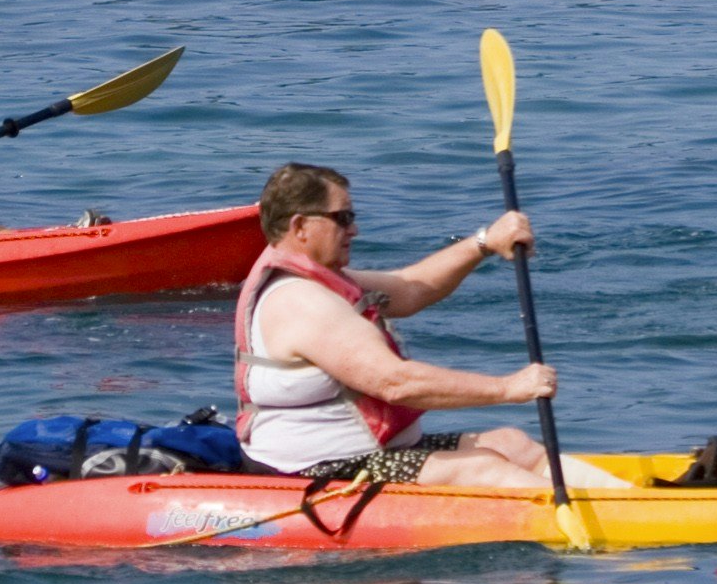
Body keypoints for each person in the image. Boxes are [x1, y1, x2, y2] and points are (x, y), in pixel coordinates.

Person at [232, 161, 631, 490]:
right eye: (343, 218)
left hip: (376, 453)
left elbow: (409, 291)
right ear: (300, 226)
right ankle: (619, 520)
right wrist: (510, 388)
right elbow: (395, 383)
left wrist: (485, 242)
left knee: (512, 444)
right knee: (480, 469)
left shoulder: (321, 279)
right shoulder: (301, 301)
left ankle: (634, 498)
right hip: (321, 470)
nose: (355, 229)